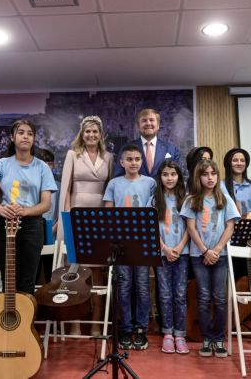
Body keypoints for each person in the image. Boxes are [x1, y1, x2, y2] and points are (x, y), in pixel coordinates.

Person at [58, 116, 114, 336]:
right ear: (82, 134)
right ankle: (74, 324)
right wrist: (67, 218)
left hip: (99, 220)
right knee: (73, 271)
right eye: (87, 131)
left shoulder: (109, 157)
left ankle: (95, 324)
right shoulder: (72, 154)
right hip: (76, 217)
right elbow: (66, 188)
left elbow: (110, 189)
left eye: (95, 131)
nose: (91, 135)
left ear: (101, 135)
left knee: (97, 274)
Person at [0, 119, 57, 295]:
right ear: (12, 137)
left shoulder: (42, 167)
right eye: (21, 132)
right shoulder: (1, 164)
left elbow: (46, 204)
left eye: (30, 133)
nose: (25, 136)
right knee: (8, 280)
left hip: (32, 226)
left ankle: (25, 314)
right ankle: (8, 313)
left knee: (27, 281)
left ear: (34, 139)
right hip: (5, 224)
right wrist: (1, 210)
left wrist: (25, 211)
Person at [180, 159, 240, 358]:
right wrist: (205, 251)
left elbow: (230, 226)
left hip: (220, 256)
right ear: (198, 177)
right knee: (204, 297)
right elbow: (191, 228)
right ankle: (206, 338)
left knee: (220, 298)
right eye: (205, 174)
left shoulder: (225, 198)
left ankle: (219, 339)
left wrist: (217, 249)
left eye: (213, 174)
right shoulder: (191, 200)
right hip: (199, 256)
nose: (210, 178)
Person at [104, 144, 156, 350]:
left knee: (142, 286)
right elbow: (108, 212)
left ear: (141, 161)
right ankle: (125, 328)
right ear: (122, 162)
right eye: (129, 159)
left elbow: (154, 211)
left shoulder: (150, 183)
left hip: (142, 243)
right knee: (124, 286)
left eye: (137, 159)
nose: (133, 162)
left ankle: (141, 329)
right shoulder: (114, 183)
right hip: (121, 244)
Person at [149, 160, 190, 354]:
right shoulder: (154, 200)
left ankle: (180, 334)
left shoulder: (186, 199)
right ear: (160, 177)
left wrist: (179, 247)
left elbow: (191, 227)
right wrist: (164, 248)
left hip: (182, 253)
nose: (169, 178)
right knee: (164, 295)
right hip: (162, 253)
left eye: (173, 174)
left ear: (179, 176)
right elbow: (150, 227)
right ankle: (167, 334)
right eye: (165, 174)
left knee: (180, 295)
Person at [222, 147, 251, 280]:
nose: (239, 163)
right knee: (234, 275)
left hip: (250, 235)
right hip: (229, 235)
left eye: (242, 160)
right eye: (235, 160)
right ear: (229, 163)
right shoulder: (220, 185)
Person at [114, 108, 180, 178]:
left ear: (158, 125)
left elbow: (177, 177)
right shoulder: (125, 149)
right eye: (144, 120)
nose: (148, 123)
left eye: (151, 120)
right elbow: (119, 177)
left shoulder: (172, 150)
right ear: (138, 126)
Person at [35, 148, 59, 284]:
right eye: (44, 164)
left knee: (52, 273)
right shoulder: (32, 185)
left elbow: (63, 210)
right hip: (34, 233)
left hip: (53, 234)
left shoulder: (59, 187)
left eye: (50, 163)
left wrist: (54, 228)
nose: (47, 167)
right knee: (33, 271)